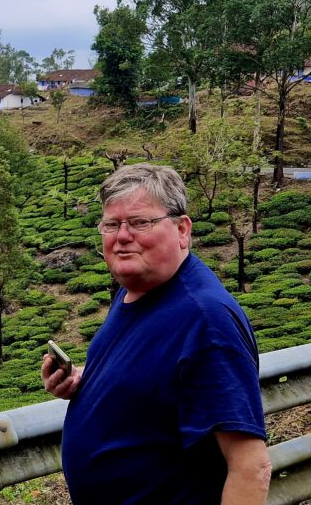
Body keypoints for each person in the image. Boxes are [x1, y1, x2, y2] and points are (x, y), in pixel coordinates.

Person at [41, 163, 272, 504]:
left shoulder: (205, 321)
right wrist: (84, 379)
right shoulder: (136, 289)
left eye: (139, 222)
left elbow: (251, 468)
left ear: (182, 229)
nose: (122, 236)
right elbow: (155, 375)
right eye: (111, 224)